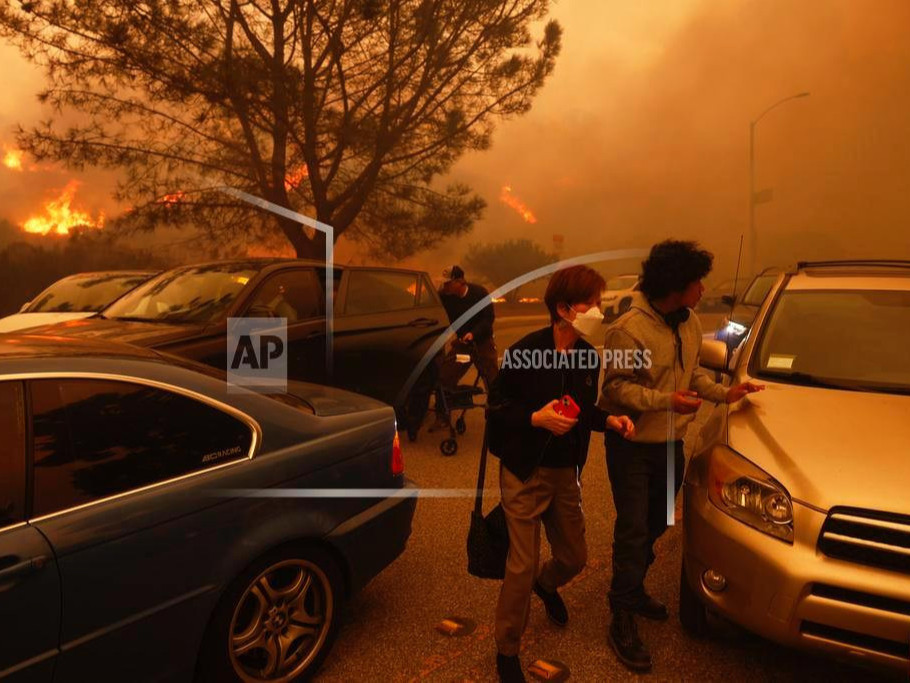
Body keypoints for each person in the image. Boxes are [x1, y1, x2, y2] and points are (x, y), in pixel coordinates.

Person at [598, 240, 764, 673]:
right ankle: (622, 612)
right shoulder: (627, 329)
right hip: (632, 445)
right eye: (697, 282)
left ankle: (631, 587)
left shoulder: (689, 323)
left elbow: (693, 376)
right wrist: (664, 401)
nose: (703, 289)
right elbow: (612, 389)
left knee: (659, 523)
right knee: (633, 529)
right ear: (675, 285)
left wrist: (727, 393)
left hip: (671, 444)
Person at [487, 265, 636, 683]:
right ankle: (507, 649)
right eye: (591, 303)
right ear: (563, 308)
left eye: (598, 303)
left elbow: (583, 410)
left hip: (565, 474)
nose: (598, 311)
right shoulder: (523, 352)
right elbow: (495, 409)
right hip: (523, 472)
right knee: (521, 564)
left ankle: (548, 584)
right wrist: (535, 418)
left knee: (575, 557)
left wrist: (610, 421)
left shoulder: (589, 356)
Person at [430, 265, 499, 431]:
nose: (445, 286)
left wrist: (473, 334)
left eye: (449, 283)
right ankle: (442, 416)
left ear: (460, 281)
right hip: (462, 343)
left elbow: (488, 319)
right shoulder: (445, 297)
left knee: (492, 378)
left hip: (482, 341)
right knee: (445, 375)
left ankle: (498, 415)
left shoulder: (480, 293)